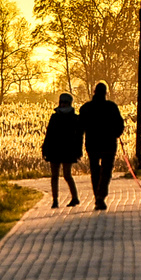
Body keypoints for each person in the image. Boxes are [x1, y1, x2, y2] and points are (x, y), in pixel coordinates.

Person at [79, 81, 125, 211]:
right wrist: (116, 133)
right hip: (109, 144)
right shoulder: (111, 107)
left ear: (94, 92)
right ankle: (101, 196)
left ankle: (97, 196)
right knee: (106, 171)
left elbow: (80, 127)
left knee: (95, 171)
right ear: (106, 93)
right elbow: (120, 124)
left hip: (92, 144)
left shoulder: (86, 108)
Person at [40, 92, 82, 209]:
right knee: (54, 176)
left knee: (67, 175)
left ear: (68, 103)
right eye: (61, 102)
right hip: (55, 150)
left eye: (64, 103)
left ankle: (74, 198)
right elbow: (49, 134)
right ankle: (55, 200)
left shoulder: (75, 118)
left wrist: (78, 151)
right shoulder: (55, 117)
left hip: (68, 150)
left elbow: (79, 137)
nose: (62, 105)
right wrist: (45, 149)